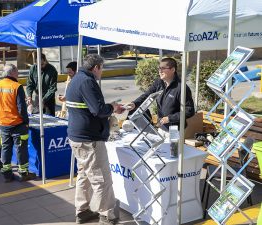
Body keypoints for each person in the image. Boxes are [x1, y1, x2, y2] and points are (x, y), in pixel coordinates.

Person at [66, 54, 124, 225]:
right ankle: (106, 214)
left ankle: (82, 211)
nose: (102, 72)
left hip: (77, 137)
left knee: (84, 175)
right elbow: (98, 110)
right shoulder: (87, 82)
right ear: (96, 67)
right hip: (89, 139)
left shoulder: (76, 79)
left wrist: (109, 109)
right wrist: (112, 107)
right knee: (102, 178)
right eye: (102, 68)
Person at [128, 57, 195, 139]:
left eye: (163, 68)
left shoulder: (181, 88)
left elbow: (189, 110)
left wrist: (170, 118)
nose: (160, 71)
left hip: (175, 130)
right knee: (160, 151)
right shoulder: (159, 83)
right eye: (159, 68)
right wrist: (134, 103)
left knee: (173, 152)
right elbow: (147, 95)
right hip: (161, 128)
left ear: (173, 70)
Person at [0, 64, 36, 182]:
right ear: (12, 73)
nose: (18, 74)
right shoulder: (16, 86)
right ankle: (24, 173)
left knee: (5, 148)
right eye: (17, 72)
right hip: (17, 124)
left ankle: (6, 173)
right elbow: (21, 108)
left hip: (3, 124)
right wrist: (26, 121)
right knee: (21, 148)